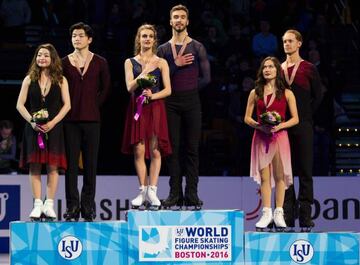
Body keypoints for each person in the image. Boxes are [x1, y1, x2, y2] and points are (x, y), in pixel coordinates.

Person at [157, 4, 211, 209]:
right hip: (169, 103)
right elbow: (158, 81)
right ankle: (174, 194)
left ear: (187, 21)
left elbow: (206, 78)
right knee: (172, 151)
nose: (179, 20)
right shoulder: (162, 50)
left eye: (182, 17)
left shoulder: (197, 47)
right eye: (175, 17)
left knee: (192, 150)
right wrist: (175, 65)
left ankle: (192, 194)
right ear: (170, 22)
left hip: (191, 102)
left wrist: (188, 89)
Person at [62, 22, 111, 221]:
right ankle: (72, 207)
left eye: (81, 35)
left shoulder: (100, 62)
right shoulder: (63, 62)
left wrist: (93, 105)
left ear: (89, 39)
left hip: (92, 120)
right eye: (74, 35)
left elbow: (106, 88)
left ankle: (88, 207)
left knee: (90, 165)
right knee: (71, 166)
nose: (77, 38)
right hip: (70, 120)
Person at [16, 43, 71, 221]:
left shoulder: (61, 79)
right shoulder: (28, 79)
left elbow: (67, 105)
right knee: (35, 166)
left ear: (52, 58)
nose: (42, 58)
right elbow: (19, 105)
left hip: (53, 129)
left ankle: (49, 205)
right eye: (39, 55)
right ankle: (38, 204)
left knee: (52, 166)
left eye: (46, 55)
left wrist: (53, 122)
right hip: (33, 129)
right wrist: (32, 121)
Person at [122, 24, 172, 210]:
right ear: (139, 39)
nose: (147, 39)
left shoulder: (161, 62)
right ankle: (142, 190)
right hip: (138, 108)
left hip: (156, 107)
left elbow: (168, 89)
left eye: (150, 36)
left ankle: (153, 190)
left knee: (156, 151)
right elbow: (129, 87)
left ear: (154, 40)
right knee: (139, 151)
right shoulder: (130, 62)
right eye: (144, 36)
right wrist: (143, 72)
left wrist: (153, 96)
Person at [245, 57, 298, 231]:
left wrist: (280, 125)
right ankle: (266, 212)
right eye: (264, 67)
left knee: (279, 176)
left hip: (280, 137)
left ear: (277, 70)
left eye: (271, 66)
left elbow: (296, 119)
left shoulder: (287, 93)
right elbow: (247, 118)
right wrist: (260, 126)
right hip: (261, 137)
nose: (267, 69)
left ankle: (279, 212)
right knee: (265, 177)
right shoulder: (255, 92)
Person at [282, 29, 323, 231]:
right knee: (286, 173)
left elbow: (319, 94)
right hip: (284, 128)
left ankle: (305, 217)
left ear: (299, 43)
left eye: (290, 41)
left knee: (305, 171)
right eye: (284, 42)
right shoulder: (279, 69)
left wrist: (306, 115)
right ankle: (288, 217)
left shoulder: (308, 68)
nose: (286, 44)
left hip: (304, 125)